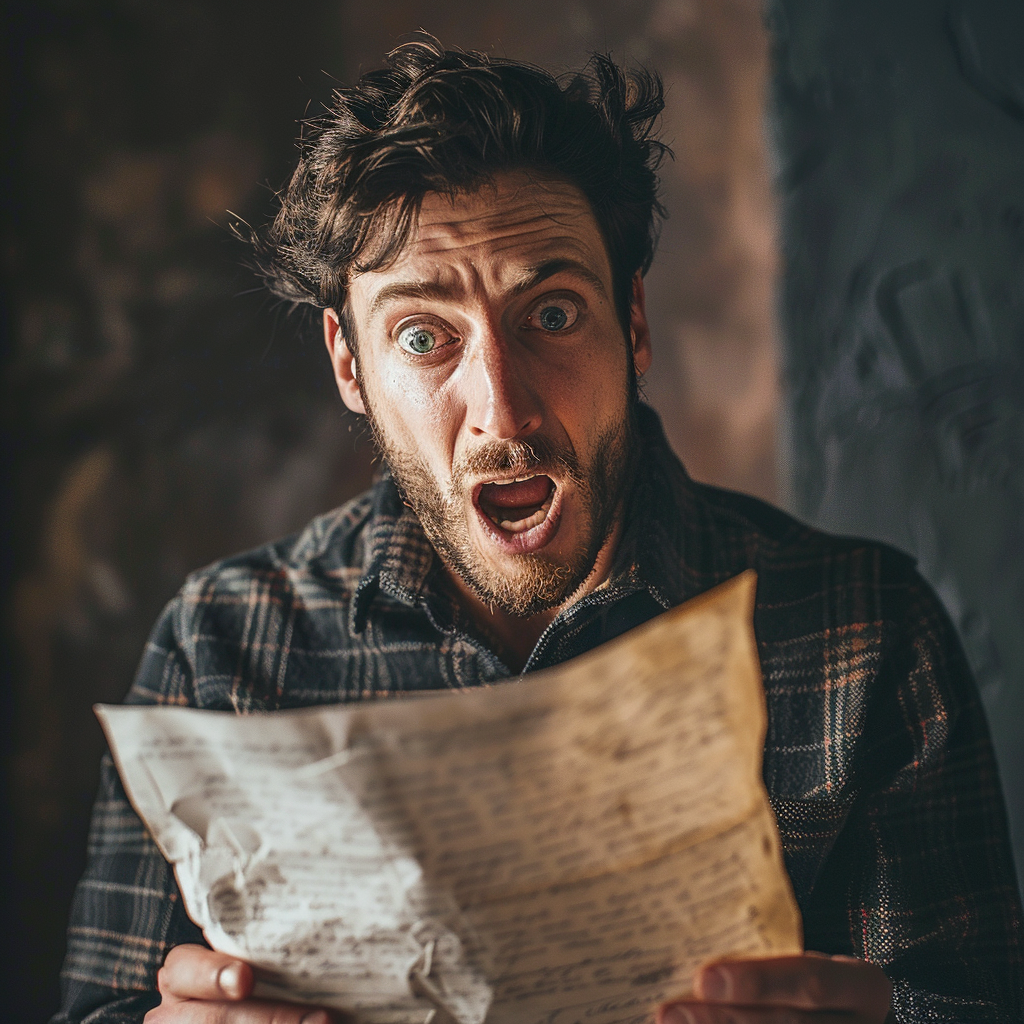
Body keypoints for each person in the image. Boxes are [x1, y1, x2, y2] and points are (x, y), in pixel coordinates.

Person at [54, 39, 1022, 1024]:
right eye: (425, 337)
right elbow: (99, 1006)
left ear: (631, 322)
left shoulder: (864, 627)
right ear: (348, 364)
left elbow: (971, 1001)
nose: (504, 415)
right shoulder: (219, 645)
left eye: (552, 314)